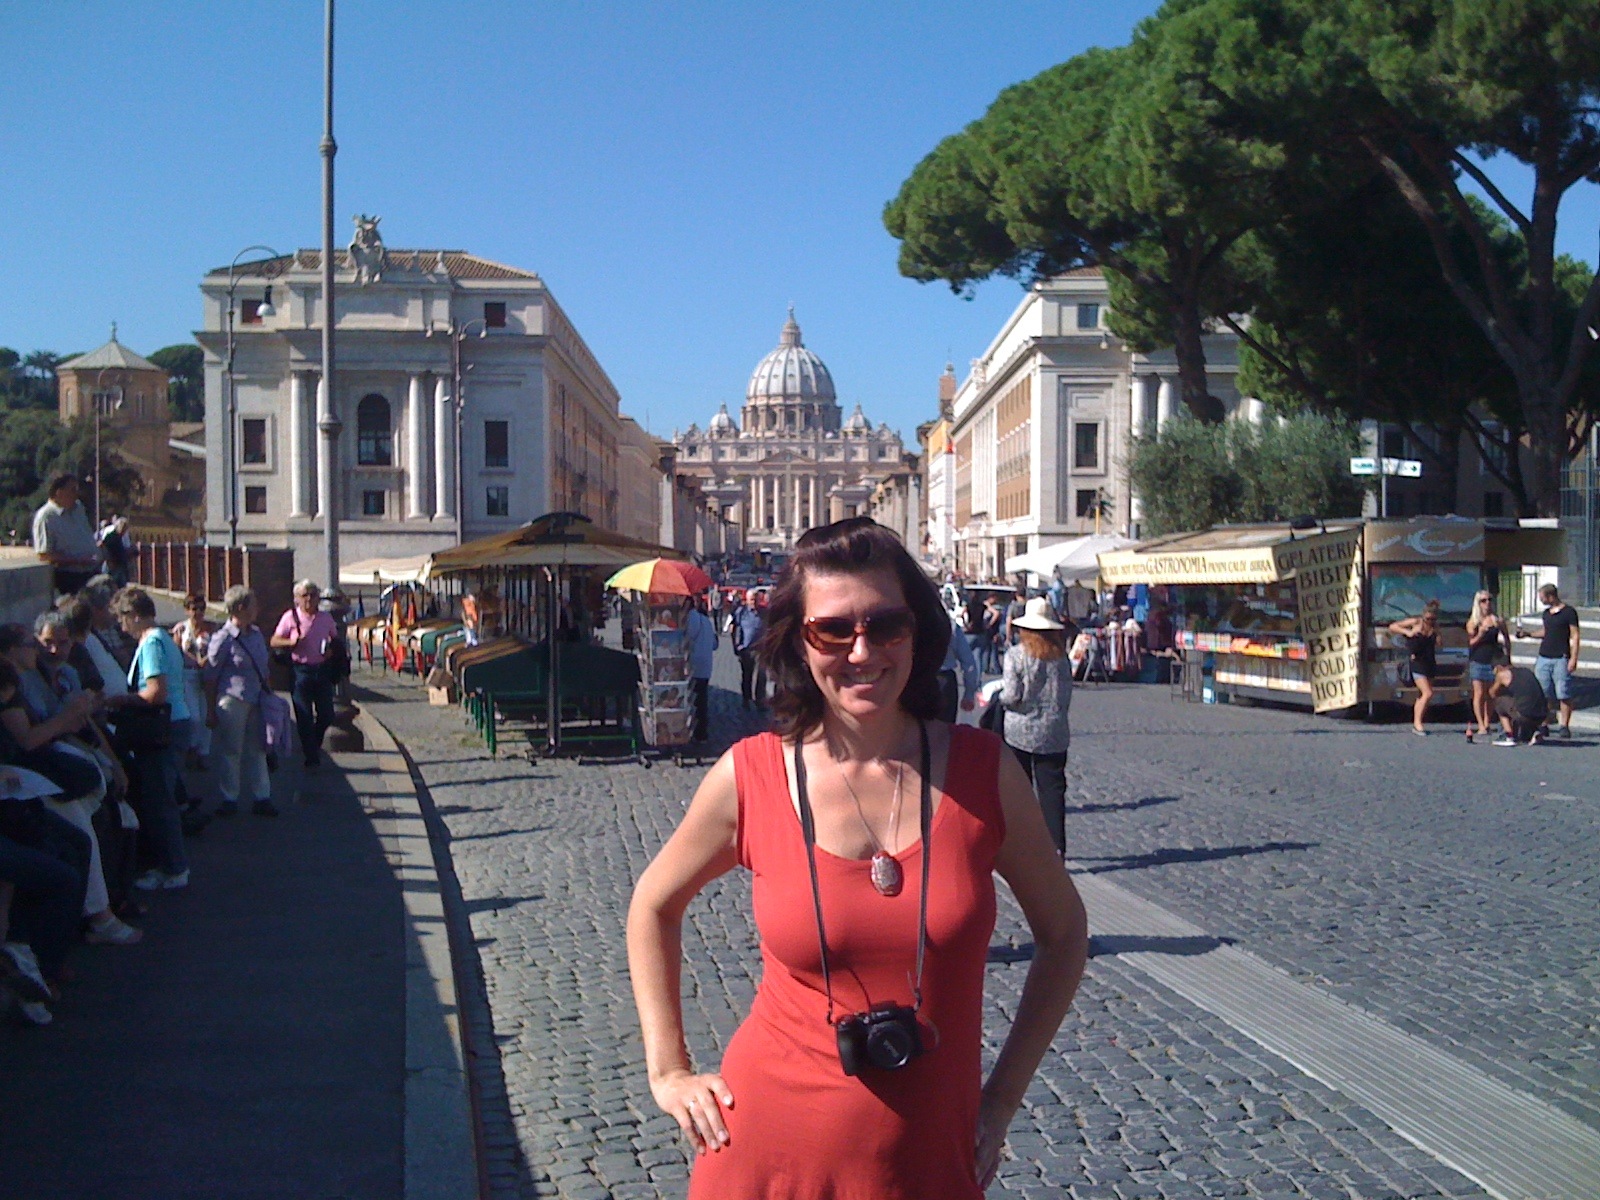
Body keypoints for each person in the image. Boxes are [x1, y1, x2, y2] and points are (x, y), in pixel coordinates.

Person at [626, 517, 1087, 1198]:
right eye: (833, 630)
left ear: (917, 632)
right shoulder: (750, 775)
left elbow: (1065, 933)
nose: (862, 650)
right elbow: (652, 905)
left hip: (928, 1165)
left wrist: (1003, 1096)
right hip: (764, 1156)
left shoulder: (983, 772)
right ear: (799, 641)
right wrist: (668, 1070)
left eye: (886, 625)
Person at [105, 587, 192, 891]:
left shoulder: (152, 642)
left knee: (160, 801)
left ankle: (174, 867)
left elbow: (156, 693)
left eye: (122, 619)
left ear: (133, 615)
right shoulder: (162, 639)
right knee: (159, 798)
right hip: (173, 724)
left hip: (162, 730)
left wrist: (121, 699)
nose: (121, 627)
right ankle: (165, 863)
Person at [999, 597, 1075, 858]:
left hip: (1019, 731)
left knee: (1020, 790)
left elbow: (1012, 695)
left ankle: (1022, 844)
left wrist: (999, 699)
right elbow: (1065, 695)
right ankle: (1056, 847)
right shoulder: (1061, 657)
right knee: (1052, 792)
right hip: (1054, 731)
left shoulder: (1016, 655)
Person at [207, 586, 276, 818]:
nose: (257, 609)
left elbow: (264, 668)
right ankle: (229, 798)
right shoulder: (223, 638)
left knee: (258, 749)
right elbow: (211, 676)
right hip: (232, 699)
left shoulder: (255, 634)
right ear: (240, 608)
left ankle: (262, 797)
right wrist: (210, 709)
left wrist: (269, 694)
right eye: (253, 604)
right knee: (232, 750)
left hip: (257, 698)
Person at [270, 579, 340, 769]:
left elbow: (335, 640)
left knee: (326, 714)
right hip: (300, 671)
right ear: (297, 599)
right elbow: (274, 641)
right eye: (304, 595)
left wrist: (331, 651)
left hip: (321, 670)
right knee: (304, 716)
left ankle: (313, 746)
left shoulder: (325, 618)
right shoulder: (290, 617)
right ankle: (312, 758)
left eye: (313, 595)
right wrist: (291, 642)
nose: (309, 599)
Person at [1516, 583, 1580, 738]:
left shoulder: (1568, 612)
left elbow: (1575, 635)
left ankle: (1564, 725)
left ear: (1550, 596)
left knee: (1563, 692)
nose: (1541, 601)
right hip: (1544, 656)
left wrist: (1573, 658)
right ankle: (1544, 723)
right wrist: (1528, 634)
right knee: (1543, 693)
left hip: (1561, 657)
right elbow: (1546, 631)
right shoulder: (1546, 614)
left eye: (1542, 598)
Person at [32, 474, 101, 597]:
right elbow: (45, 555)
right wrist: (78, 560)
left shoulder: (78, 508)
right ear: (59, 492)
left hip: (92, 572)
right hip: (70, 578)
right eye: (72, 490)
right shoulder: (46, 517)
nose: (76, 494)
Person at [172, 593, 214, 767]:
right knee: (194, 717)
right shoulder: (181, 629)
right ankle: (192, 747)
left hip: (207, 677)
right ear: (187, 610)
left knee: (206, 715)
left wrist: (207, 659)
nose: (198, 612)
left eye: (201, 609)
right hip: (188, 675)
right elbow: (175, 652)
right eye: (194, 609)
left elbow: (218, 649)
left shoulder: (211, 628)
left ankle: (204, 753)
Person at [1464, 591, 1511, 743]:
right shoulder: (1473, 622)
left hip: (1493, 660)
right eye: (1483, 600)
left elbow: (1506, 638)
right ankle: (1480, 724)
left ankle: (1487, 721)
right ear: (1478, 603)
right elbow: (1470, 643)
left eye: (1489, 600)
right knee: (1479, 693)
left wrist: (1508, 656)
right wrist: (1481, 633)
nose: (1487, 603)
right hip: (1478, 659)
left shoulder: (1496, 620)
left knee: (1491, 693)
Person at [1389, 600, 1441, 735]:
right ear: (1423, 615)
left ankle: (1417, 722)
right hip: (1417, 662)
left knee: (1422, 694)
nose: (1429, 621)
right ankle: (1418, 724)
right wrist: (1407, 632)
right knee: (1428, 693)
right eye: (1428, 619)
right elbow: (1393, 627)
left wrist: (1437, 636)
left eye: (1432, 619)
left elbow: (1439, 643)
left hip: (1429, 662)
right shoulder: (1416, 622)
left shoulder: (1435, 627)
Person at [1489, 659, 1548, 746]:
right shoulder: (1526, 671)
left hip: (1524, 715)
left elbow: (1492, 693)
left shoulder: (1502, 675)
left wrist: (1497, 681)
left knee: (1499, 701)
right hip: (1542, 716)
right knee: (1523, 703)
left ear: (1498, 668)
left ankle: (1508, 735)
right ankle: (1534, 732)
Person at [937, 609, 980, 723]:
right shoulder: (950, 625)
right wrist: (969, 694)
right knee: (945, 727)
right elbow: (968, 662)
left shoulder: (912, 623)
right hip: (944, 681)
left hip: (917, 679)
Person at [684, 596, 716, 744]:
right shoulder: (706, 621)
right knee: (702, 698)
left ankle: (697, 732)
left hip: (694, 665)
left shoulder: (690, 618)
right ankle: (702, 732)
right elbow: (715, 644)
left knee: (695, 701)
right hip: (706, 665)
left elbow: (687, 637)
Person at [730, 591, 767, 711]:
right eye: (751, 600)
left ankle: (760, 700)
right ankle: (746, 699)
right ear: (746, 600)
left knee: (761, 676)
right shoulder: (741, 612)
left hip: (761, 649)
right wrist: (735, 645)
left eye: (755, 600)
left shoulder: (765, 612)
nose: (753, 602)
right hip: (746, 649)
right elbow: (733, 627)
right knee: (747, 675)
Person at [97, 515, 131, 588]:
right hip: (112, 566)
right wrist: (108, 559)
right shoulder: (112, 535)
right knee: (109, 586)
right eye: (123, 527)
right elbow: (101, 545)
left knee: (121, 587)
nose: (124, 531)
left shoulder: (119, 537)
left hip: (119, 565)